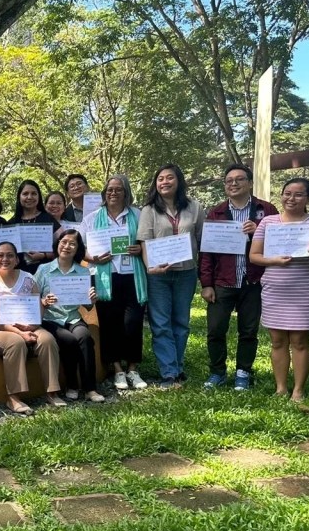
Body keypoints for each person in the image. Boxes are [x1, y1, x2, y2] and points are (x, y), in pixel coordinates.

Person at [249, 178, 309, 407]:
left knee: (300, 341)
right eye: (287, 193)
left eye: (298, 194)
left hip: (305, 289)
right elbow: (254, 256)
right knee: (277, 341)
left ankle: (298, 390)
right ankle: (280, 388)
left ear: (307, 198)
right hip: (275, 288)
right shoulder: (268, 222)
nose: (290, 198)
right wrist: (274, 259)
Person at [199, 164, 278, 391]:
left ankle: (243, 372)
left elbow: (281, 242)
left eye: (239, 179)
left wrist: (260, 231)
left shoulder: (267, 210)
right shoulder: (216, 212)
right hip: (223, 281)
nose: (233, 184)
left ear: (250, 183)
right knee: (215, 330)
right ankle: (217, 372)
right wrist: (206, 284)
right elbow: (207, 253)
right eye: (228, 181)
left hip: (253, 281)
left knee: (248, 330)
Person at [137, 163, 205, 389]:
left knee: (182, 322)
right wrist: (149, 268)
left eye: (169, 178)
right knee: (161, 323)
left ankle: (178, 366)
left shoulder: (194, 207)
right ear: (155, 184)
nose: (164, 182)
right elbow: (144, 243)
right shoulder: (149, 210)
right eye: (160, 179)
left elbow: (201, 238)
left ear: (179, 181)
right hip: (159, 275)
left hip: (186, 273)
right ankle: (169, 372)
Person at [0, 241, 62, 415]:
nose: (5, 259)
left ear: (17, 259)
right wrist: (21, 333)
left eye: (10, 255)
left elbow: (37, 310)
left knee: (47, 339)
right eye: (0, 255)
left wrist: (31, 326)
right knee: (15, 342)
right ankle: (14, 398)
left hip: (28, 325)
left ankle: (52, 392)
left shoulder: (28, 278)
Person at [85, 174, 148, 391]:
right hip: (105, 276)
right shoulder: (92, 218)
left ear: (126, 193)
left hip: (133, 275)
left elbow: (147, 241)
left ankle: (132, 367)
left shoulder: (138, 215)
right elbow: (79, 247)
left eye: (118, 189)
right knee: (109, 323)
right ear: (104, 193)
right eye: (110, 189)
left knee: (133, 322)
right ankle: (117, 369)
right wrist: (93, 258)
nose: (113, 193)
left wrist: (140, 249)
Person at [36, 230, 104, 404]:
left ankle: (90, 388)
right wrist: (44, 301)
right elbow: (33, 298)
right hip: (50, 319)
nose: (67, 246)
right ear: (57, 244)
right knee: (68, 340)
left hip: (73, 317)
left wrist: (91, 299)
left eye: (72, 244)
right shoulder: (44, 270)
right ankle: (72, 385)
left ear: (78, 248)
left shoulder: (83, 271)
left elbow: (87, 305)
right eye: (63, 242)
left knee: (85, 338)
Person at [12, 179, 59, 274]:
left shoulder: (48, 219)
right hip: (17, 275)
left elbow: (62, 246)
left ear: (39, 196)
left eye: (34, 193)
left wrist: (44, 255)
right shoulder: (11, 223)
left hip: (46, 273)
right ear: (19, 197)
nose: (29, 197)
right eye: (25, 194)